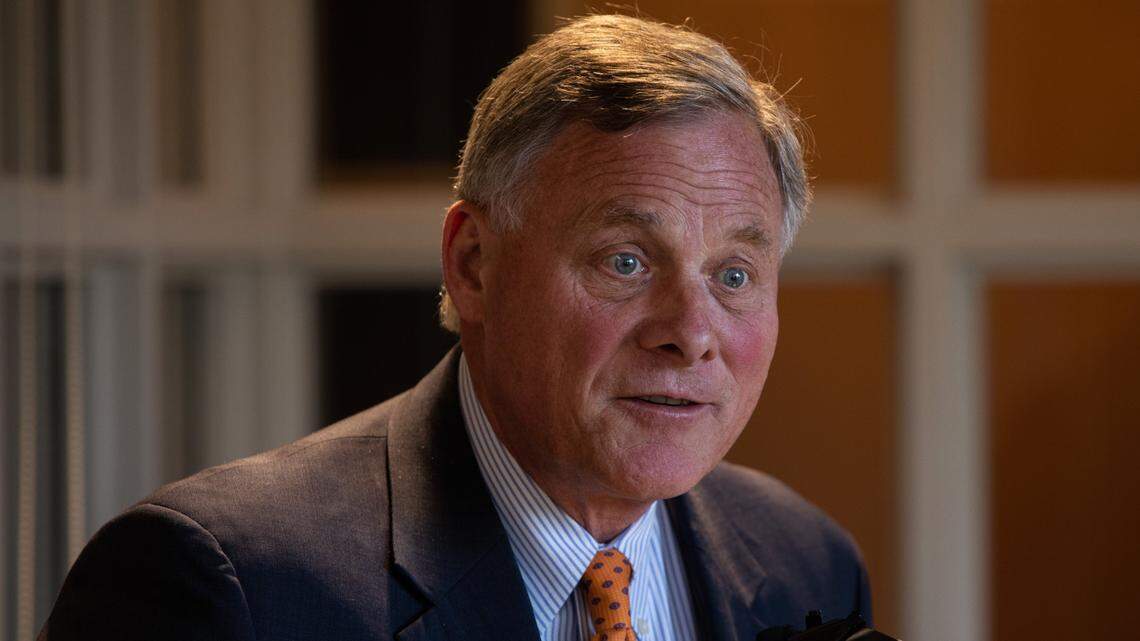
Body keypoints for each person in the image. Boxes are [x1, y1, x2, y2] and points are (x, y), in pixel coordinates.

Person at [40, 14, 870, 641]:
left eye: (733, 276)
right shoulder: (222, 585)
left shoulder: (808, 562)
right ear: (473, 263)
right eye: (625, 261)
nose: (691, 333)